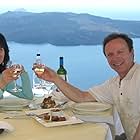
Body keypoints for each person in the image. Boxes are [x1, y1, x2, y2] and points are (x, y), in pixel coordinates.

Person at [33, 32, 140, 140]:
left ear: (132, 53)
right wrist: (55, 78)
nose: (116, 58)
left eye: (120, 52)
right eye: (110, 54)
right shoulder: (114, 84)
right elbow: (82, 97)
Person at [0, 33, 33, 100]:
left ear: (5, 52)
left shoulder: (3, 75)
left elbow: (28, 96)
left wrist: (23, 73)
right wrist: (2, 83)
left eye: (0, 49)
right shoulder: (3, 78)